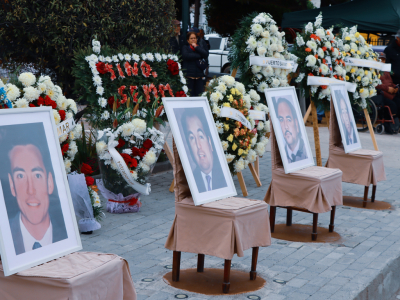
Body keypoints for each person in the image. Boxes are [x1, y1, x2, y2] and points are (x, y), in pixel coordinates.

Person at [1, 123, 68, 255]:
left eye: (37, 175)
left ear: (49, 182)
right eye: (20, 176)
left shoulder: (66, 233)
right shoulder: (5, 239)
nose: (30, 190)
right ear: (12, 185)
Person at [181, 108, 227, 193]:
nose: (198, 145)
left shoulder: (225, 175)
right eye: (192, 138)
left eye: (201, 136)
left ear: (210, 141)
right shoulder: (190, 181)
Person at [275, 97, 308, 163]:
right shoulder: (281, 155)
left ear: (296, 124)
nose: (285, 126)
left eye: (289, 120)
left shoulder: (306, 151)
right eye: (281, 120)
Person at [182, 31, 209, 96]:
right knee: (190, 95)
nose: (193, 39)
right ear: (188, 40)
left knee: (199, 95)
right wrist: (199, 55)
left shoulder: (199, 47)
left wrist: (196, 47)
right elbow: (186, 56)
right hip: (189, 75)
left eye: (194, 38)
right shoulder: (185, 47)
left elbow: (205, 54)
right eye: (191, 38)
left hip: (199, 76)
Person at [376, 52, 400, 117]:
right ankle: (392, 122)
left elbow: (390, 82)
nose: (382, 61)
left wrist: (395, 87)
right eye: (380, 59)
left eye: (383, 60)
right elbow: (376, 84)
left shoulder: (386, 71)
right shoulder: (375, 71)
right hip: (382, 94)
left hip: (391, 93)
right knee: (393, 105)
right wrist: (388, 88)